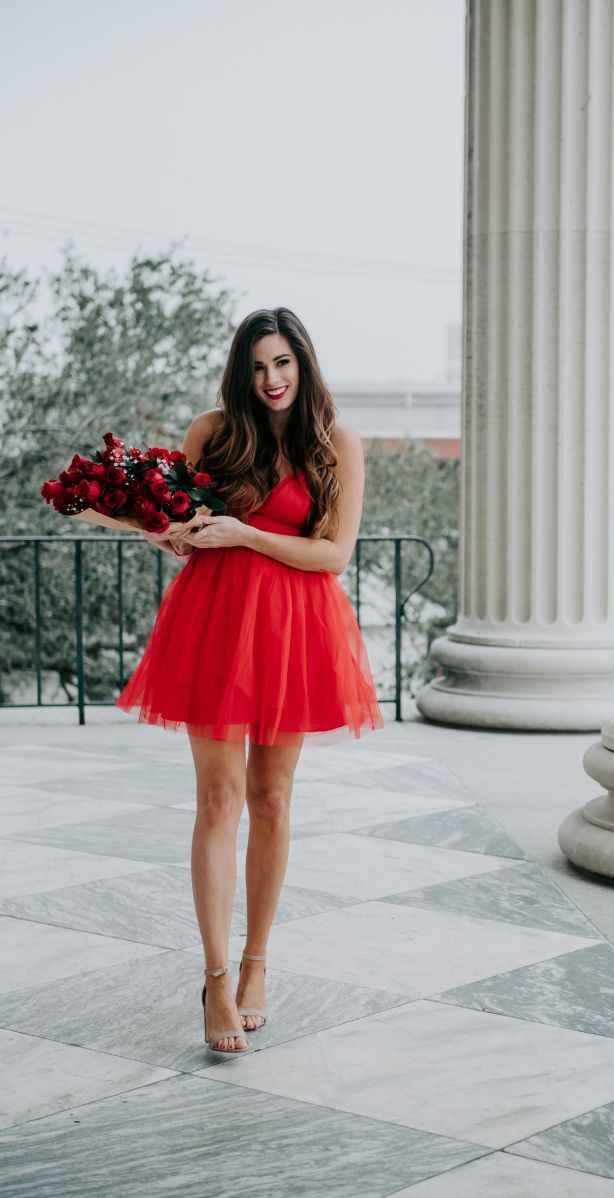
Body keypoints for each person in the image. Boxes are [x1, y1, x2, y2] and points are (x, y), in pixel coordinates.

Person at [115, 307, 384, 1057]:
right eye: (259, 366)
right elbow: (177, 519)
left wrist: (245, 533)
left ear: (304, 364)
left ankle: (258, 962)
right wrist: (168, 532)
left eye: (284, 364)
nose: (272, 380)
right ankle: (213, 974)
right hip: (216, 620)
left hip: (296, 629)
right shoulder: (211, 433)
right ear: (242, 372)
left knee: (271, 796)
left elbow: (332, 556)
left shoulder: (337, 444)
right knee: (218, 797)